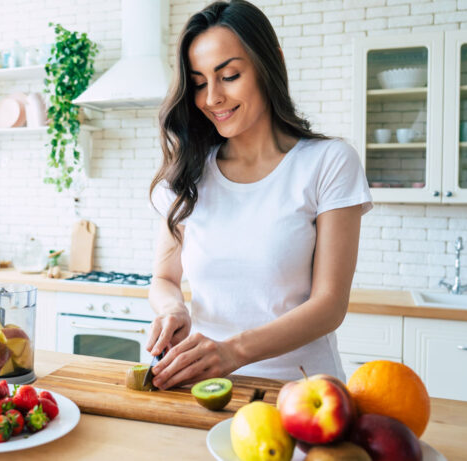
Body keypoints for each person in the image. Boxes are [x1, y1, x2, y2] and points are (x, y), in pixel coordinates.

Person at [146, 0, 372, 389]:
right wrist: (172, 309)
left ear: (273, 65)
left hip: (302, 392)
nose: (211, 98)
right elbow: (164, 277)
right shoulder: (187, 174)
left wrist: (232, 351)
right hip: (203, 387)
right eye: (199, 83)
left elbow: (329, 305)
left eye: (229, 75)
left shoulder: (327, 162)